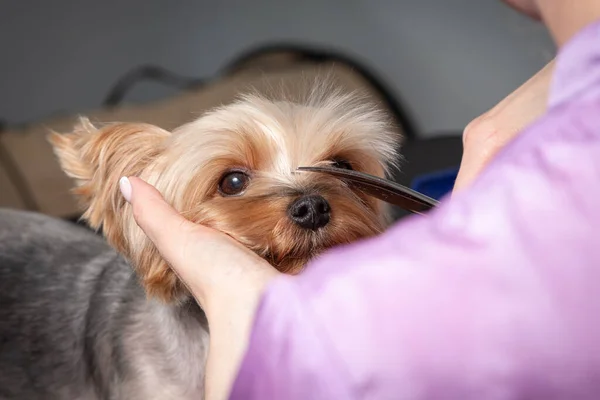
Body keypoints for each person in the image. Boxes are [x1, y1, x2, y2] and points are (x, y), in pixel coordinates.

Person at [118, 0, 600, 398]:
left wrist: (243, 309)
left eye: (343, 169)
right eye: (235, 183)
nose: (311, 202)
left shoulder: (336, 348)